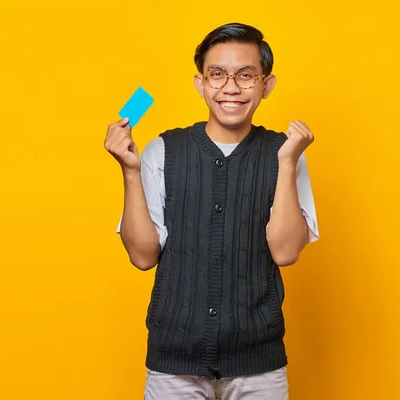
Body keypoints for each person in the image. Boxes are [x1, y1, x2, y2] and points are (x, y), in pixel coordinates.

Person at [104, 22, 319, 400]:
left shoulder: (285, 152)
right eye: (217, 74)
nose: (230, 87)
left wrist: (287, 164)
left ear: (266, 85)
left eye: (246, 75)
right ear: (200, 83)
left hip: (259, 366)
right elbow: (142, 256)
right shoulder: (161, 151)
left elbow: (285, 253)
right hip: (173, 364)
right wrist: (130, 170)